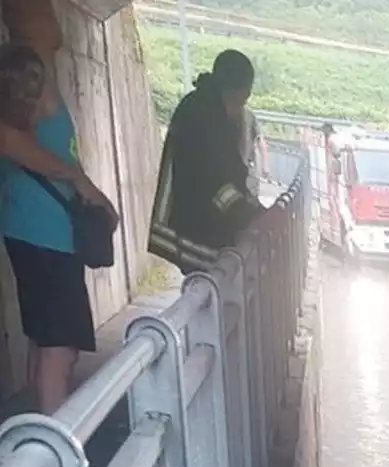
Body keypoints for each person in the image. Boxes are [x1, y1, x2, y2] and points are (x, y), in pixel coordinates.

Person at [0, 15, 118, 415]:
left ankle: (43, 441)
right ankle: (57, 454)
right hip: (44, 233)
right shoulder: (25, 77)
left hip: (34, 231)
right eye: (43, 12)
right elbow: (8, 138)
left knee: (45, 343)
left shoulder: (26, 75)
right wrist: (76, 178)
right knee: (59, 352)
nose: (53, 20)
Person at [150, 49, 283, 275]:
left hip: (187, 221)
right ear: (237, 92)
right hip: (192, 227)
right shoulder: (207, 119)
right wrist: (254, 215)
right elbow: (218, 184)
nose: (241, 109)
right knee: (213, 286)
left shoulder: (200, 105)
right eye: (243, 100)